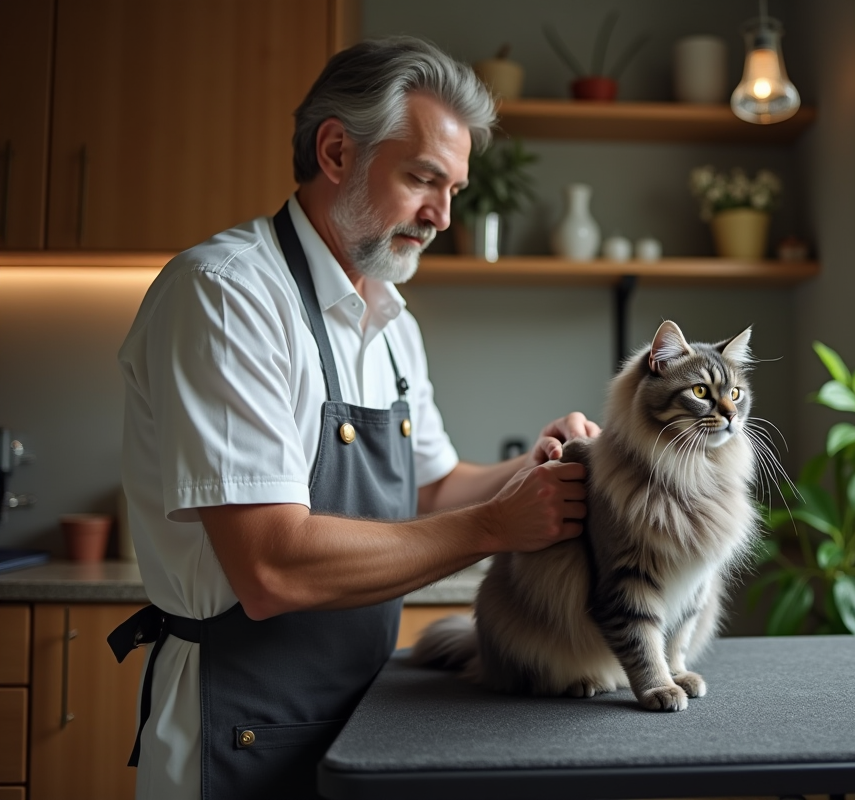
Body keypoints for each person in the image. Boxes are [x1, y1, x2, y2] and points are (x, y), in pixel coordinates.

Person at [110, 36, 599, 800]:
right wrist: (499, 528)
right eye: (422, 179)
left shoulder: (390, 318)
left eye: (454, 190)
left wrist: (540, 466)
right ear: (336, 150)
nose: (441, 216)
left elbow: (435, 489)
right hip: (237, 724)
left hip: (360, 718)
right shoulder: (227, 296)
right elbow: (269, 566)